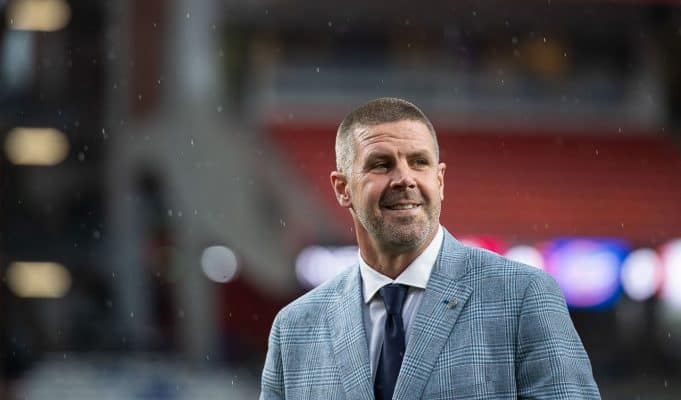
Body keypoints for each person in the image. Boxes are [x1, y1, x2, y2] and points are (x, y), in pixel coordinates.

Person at [260, 98, 600, 399]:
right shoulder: (294, 330)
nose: (405, 178)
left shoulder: (522, 296)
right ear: (342, 188)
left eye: (419, 162)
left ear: (439, 181)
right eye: (381, 164)